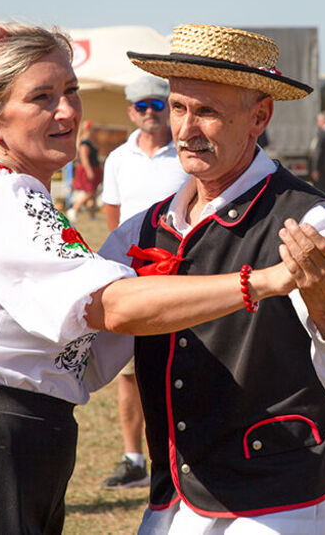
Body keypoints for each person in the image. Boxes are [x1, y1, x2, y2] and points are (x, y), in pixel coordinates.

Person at [0, 22, 325, 534]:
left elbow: (88, 343)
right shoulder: (4, 196)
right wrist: (263, 281)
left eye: (70, 91)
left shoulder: (20, 195)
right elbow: (113, 308)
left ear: (260, 117)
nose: (67, 111)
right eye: (42, 97)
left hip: (10, 447)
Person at [114, 23, 325, 533]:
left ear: (259, 116)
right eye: (178, 107)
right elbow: (85, 345)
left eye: (208, 111)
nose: (185, 128)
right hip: (175, 501)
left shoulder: (314, 224)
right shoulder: (147, 228)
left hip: (279, 504)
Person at [98, 75, 188, 490]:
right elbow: (113, 219)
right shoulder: (117, 158)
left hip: (183, 278)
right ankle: (134, 459)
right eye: (141, 105)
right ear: (130, 110)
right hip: (137, 278)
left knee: (185, 367)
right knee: (130, 373)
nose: (150, 112)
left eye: (157, 103)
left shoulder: (185, 152)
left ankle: (185, 456)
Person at [67, 120, 101, 222]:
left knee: (93, 193)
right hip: (88, 169)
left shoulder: (91, 142)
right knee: (89, 192)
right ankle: (73, 209)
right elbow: (84, 158)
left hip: (94, 168)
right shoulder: (85, 143)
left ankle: (93, 215)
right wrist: (89, 170)